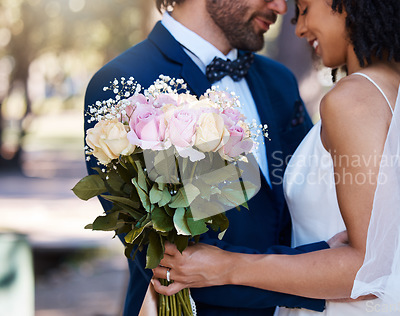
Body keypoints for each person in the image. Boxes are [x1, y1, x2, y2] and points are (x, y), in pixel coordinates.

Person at [151, 0, 400, 315]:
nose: (299, 27)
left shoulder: (353, 100)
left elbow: (371, 269)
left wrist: (226, 265)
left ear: (347, 6)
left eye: (304, 8)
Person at [83, 0, 352, 315]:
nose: (281, 7)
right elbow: (177, 263)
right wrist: (330, 273)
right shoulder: (126, 81)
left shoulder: (280, 80)